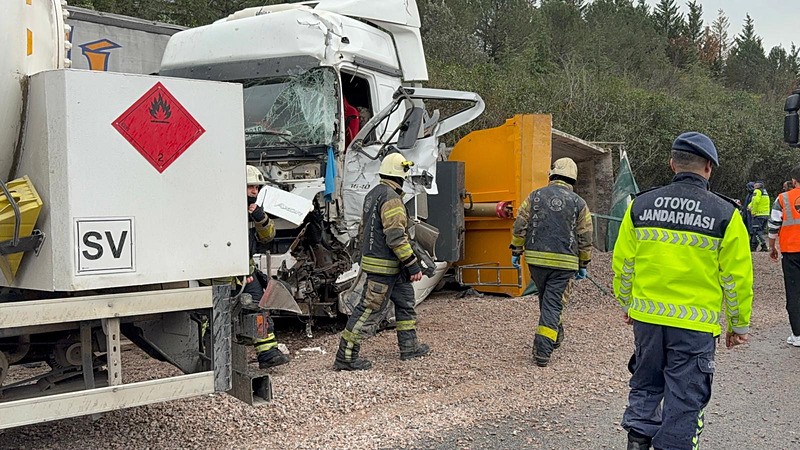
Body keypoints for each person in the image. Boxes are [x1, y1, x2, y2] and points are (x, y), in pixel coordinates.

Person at [612, 132, 753, 450]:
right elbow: (736, 278)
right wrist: (738, 324)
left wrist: (628, 304)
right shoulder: (725, 214)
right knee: (686, 398)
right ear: (708, 168)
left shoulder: (639, 205)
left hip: (647, 320)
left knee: (646, 384)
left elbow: (623, 265)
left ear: (672, 164)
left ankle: (637, 442)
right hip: (694, 326)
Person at [333, 153, 430, 371]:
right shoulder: (391, 198)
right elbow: (395, 236)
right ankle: (345, 357)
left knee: (405, 304)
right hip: (384, 268)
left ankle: (409, 347)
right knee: (368, 310)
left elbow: (365, 229)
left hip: (391, 267)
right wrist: (413, 264)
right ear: (401, 174)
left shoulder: (373, 194)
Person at [509, 157, 593, 367]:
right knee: (553, 303)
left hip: (536, 261)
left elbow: (520, 223)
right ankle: (543, 351)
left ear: (552, 174)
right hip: (565, 264)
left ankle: (555, 334)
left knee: (547, 300)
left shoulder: (535, 196)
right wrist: (583, 264)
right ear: (573, 179)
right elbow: (585, 236)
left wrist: (516, 250)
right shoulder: (579, 203)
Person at [244, 165, 289, 369]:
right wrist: (239, 273)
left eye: (257, 187)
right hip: (229, 274)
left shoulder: (254, 211)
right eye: (250, 187)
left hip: (246, 270)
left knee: (258, 308)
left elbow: (268, 237)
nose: (254, 191)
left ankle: (268, 354)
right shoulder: (227, 211)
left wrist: (261, 219)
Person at [768, 165, 800, 346]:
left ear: (794, 181)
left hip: (791, 251)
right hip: (792, 251)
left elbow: (773, 226)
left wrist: (772, 247)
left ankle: (798, 334)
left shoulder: (783, 199)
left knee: (794, 292)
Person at [748, 181, 771, 251]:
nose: (754, 186)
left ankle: (764, 246)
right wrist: (749, 205)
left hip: (758, 214)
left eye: (755, 185)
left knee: (757, 231)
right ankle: (753, 247)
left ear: (758, 186)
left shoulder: (757, 191)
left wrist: (753, 211)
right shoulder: (764, 192)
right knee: (759, 231)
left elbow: (755, 201)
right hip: (765, 214)